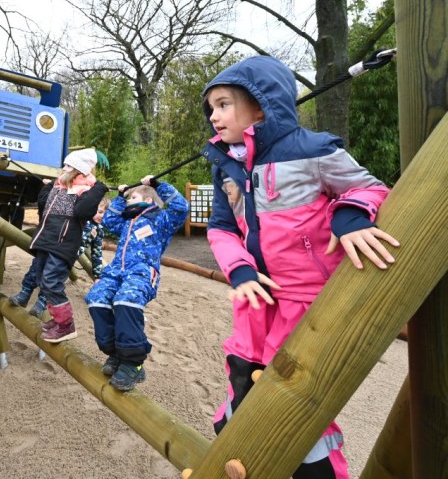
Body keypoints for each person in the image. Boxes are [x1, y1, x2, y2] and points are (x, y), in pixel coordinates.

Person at [201, 56, 398, 479]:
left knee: (293, 397)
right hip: (257, 296)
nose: (213, 116)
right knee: (242, 375)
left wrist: (349, 218)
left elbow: (370, 188)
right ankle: (236, 447)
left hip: (306, 300)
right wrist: (239, 270)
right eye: (211, 108)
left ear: (260, 107)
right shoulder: (226, 166)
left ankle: (317, 471)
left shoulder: (311, 150)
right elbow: (221, 228)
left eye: (223, 105)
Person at [85, 177, 188, 391]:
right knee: (96, 298)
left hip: (141, 272)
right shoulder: (126, 220)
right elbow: (108, 221)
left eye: (133, 197)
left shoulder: (161, 219)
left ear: (148, 199)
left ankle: (133, 363)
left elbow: (181, 207)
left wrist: (158, 185)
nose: (129, 200)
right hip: (116, 271)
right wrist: (120, 197)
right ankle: (115, 353)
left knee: (126, 300)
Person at [29, 148, 108, 343]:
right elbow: (42, 205)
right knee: (42, 279)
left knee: (51, 282)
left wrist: (99, 189)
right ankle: (57, 320)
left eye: (68, 166)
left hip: (63, 245)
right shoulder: (61, 187)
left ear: (78, 170)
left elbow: (83, 211)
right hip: (47, 240)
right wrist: (49, 186)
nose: (63, 168)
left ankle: (66, 325)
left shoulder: (85, 190)